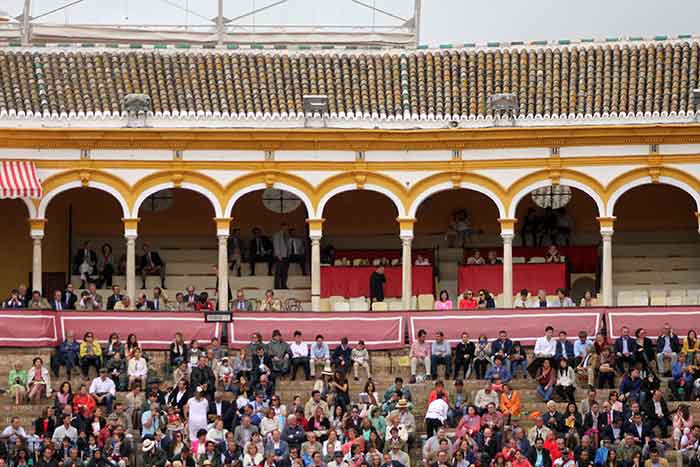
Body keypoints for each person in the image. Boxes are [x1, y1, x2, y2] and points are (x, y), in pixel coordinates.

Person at [272, 223, 292, 289]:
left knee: (285, 272)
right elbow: (276, 245)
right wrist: (278, 255)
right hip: (280, 256)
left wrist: (289, 253)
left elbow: (288, 245)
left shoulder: (287, 235)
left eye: (286, 227)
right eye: (284, 227)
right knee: (278, 272)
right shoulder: (277, 235)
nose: (285, 229)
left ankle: (284, 285)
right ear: (282, 227)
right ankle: (277, 286)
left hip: (286, 256)